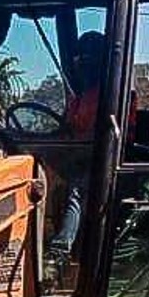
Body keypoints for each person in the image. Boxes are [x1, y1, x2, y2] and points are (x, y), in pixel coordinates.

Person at [47, 30, 106, 265]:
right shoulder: (79, 97)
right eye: (79, 59)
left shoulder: (117, 96)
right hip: (76, 158)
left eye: (88, 60)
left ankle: (59, 250)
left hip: (102, 163)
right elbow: (67, 128)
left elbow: (118, 136)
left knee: (77, 188)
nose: (82, 65)